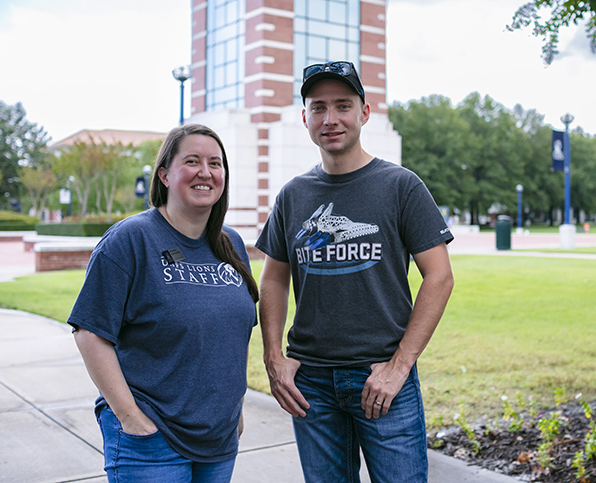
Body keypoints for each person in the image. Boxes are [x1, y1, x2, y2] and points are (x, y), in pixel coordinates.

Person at [255, 61, 455, 482]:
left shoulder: (401, 186)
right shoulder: (293, 196)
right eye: (318, 107)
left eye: (343, 106)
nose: (331, 119)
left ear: (364, 114)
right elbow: (273, 277)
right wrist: (274, 358)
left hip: (382, 380)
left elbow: (439, 277)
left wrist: (399, 366)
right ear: (305, 117)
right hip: (310, 383)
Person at [68, 124, 258, 483]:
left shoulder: (231, 244)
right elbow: (90, 332)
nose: (205, 172)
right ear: (165, 175)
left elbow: (235, 334)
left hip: (218, 437)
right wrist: (130, 418)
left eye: (215, 163)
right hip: (152, 438)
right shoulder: (131, 239)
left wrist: (237, 408)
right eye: (192, 161)